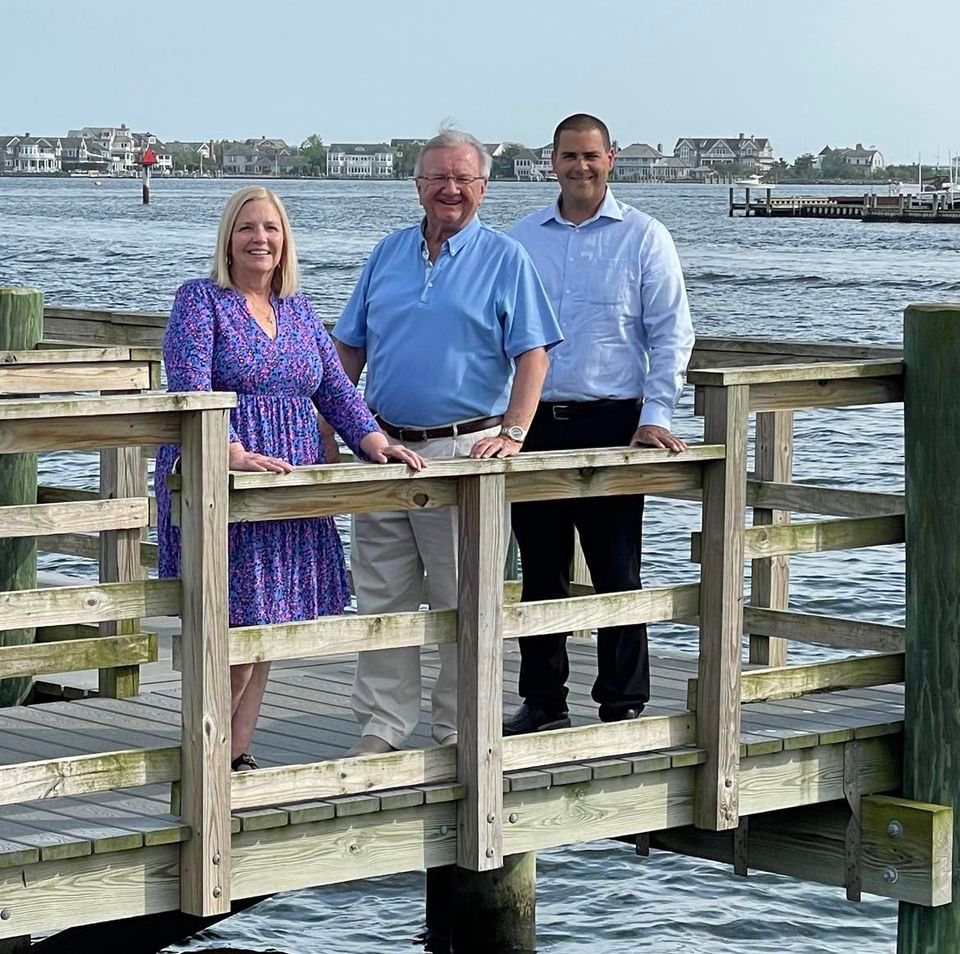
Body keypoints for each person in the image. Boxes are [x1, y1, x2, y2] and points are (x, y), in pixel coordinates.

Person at [155, 186, 424, 771]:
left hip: (292, 481)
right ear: (228, 238)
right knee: (236, 627)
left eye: (271, 229)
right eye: (247, 227)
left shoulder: (298, 309)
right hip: (223, 477)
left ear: (285, 241)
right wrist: (230, 452)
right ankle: (206, 755)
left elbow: (335, 389)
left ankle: (239, 751)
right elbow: (189, 388)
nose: (260, 238)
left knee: (270, 622)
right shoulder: (201, 301)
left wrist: (378, 444)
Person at [333, 128, 563, 756]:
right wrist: (333, 425)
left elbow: (534, 355)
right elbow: (348, 348)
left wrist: (514, 432)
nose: (450, 189)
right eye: (438, 177)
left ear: (484, 188)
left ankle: (460, 728)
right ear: (417, 186)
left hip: (463, 450)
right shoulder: (389, 252)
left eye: (464, 178)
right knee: (382, 594)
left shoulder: (505, 257)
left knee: (461, 594)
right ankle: (382, 727)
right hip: (382, 446)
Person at [503, 113, 695, 736]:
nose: (580, 166)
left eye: (591, 155)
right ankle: (543, 701)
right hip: (533, 422)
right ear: (550, 160)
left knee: (617, 566)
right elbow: (492, 333)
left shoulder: (644, 236)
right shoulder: (520, 239)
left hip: (615, 420)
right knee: (540, 570)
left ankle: (622, 701)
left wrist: (657, 414)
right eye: (568, 156)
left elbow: (671, 334)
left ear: (611, 157)